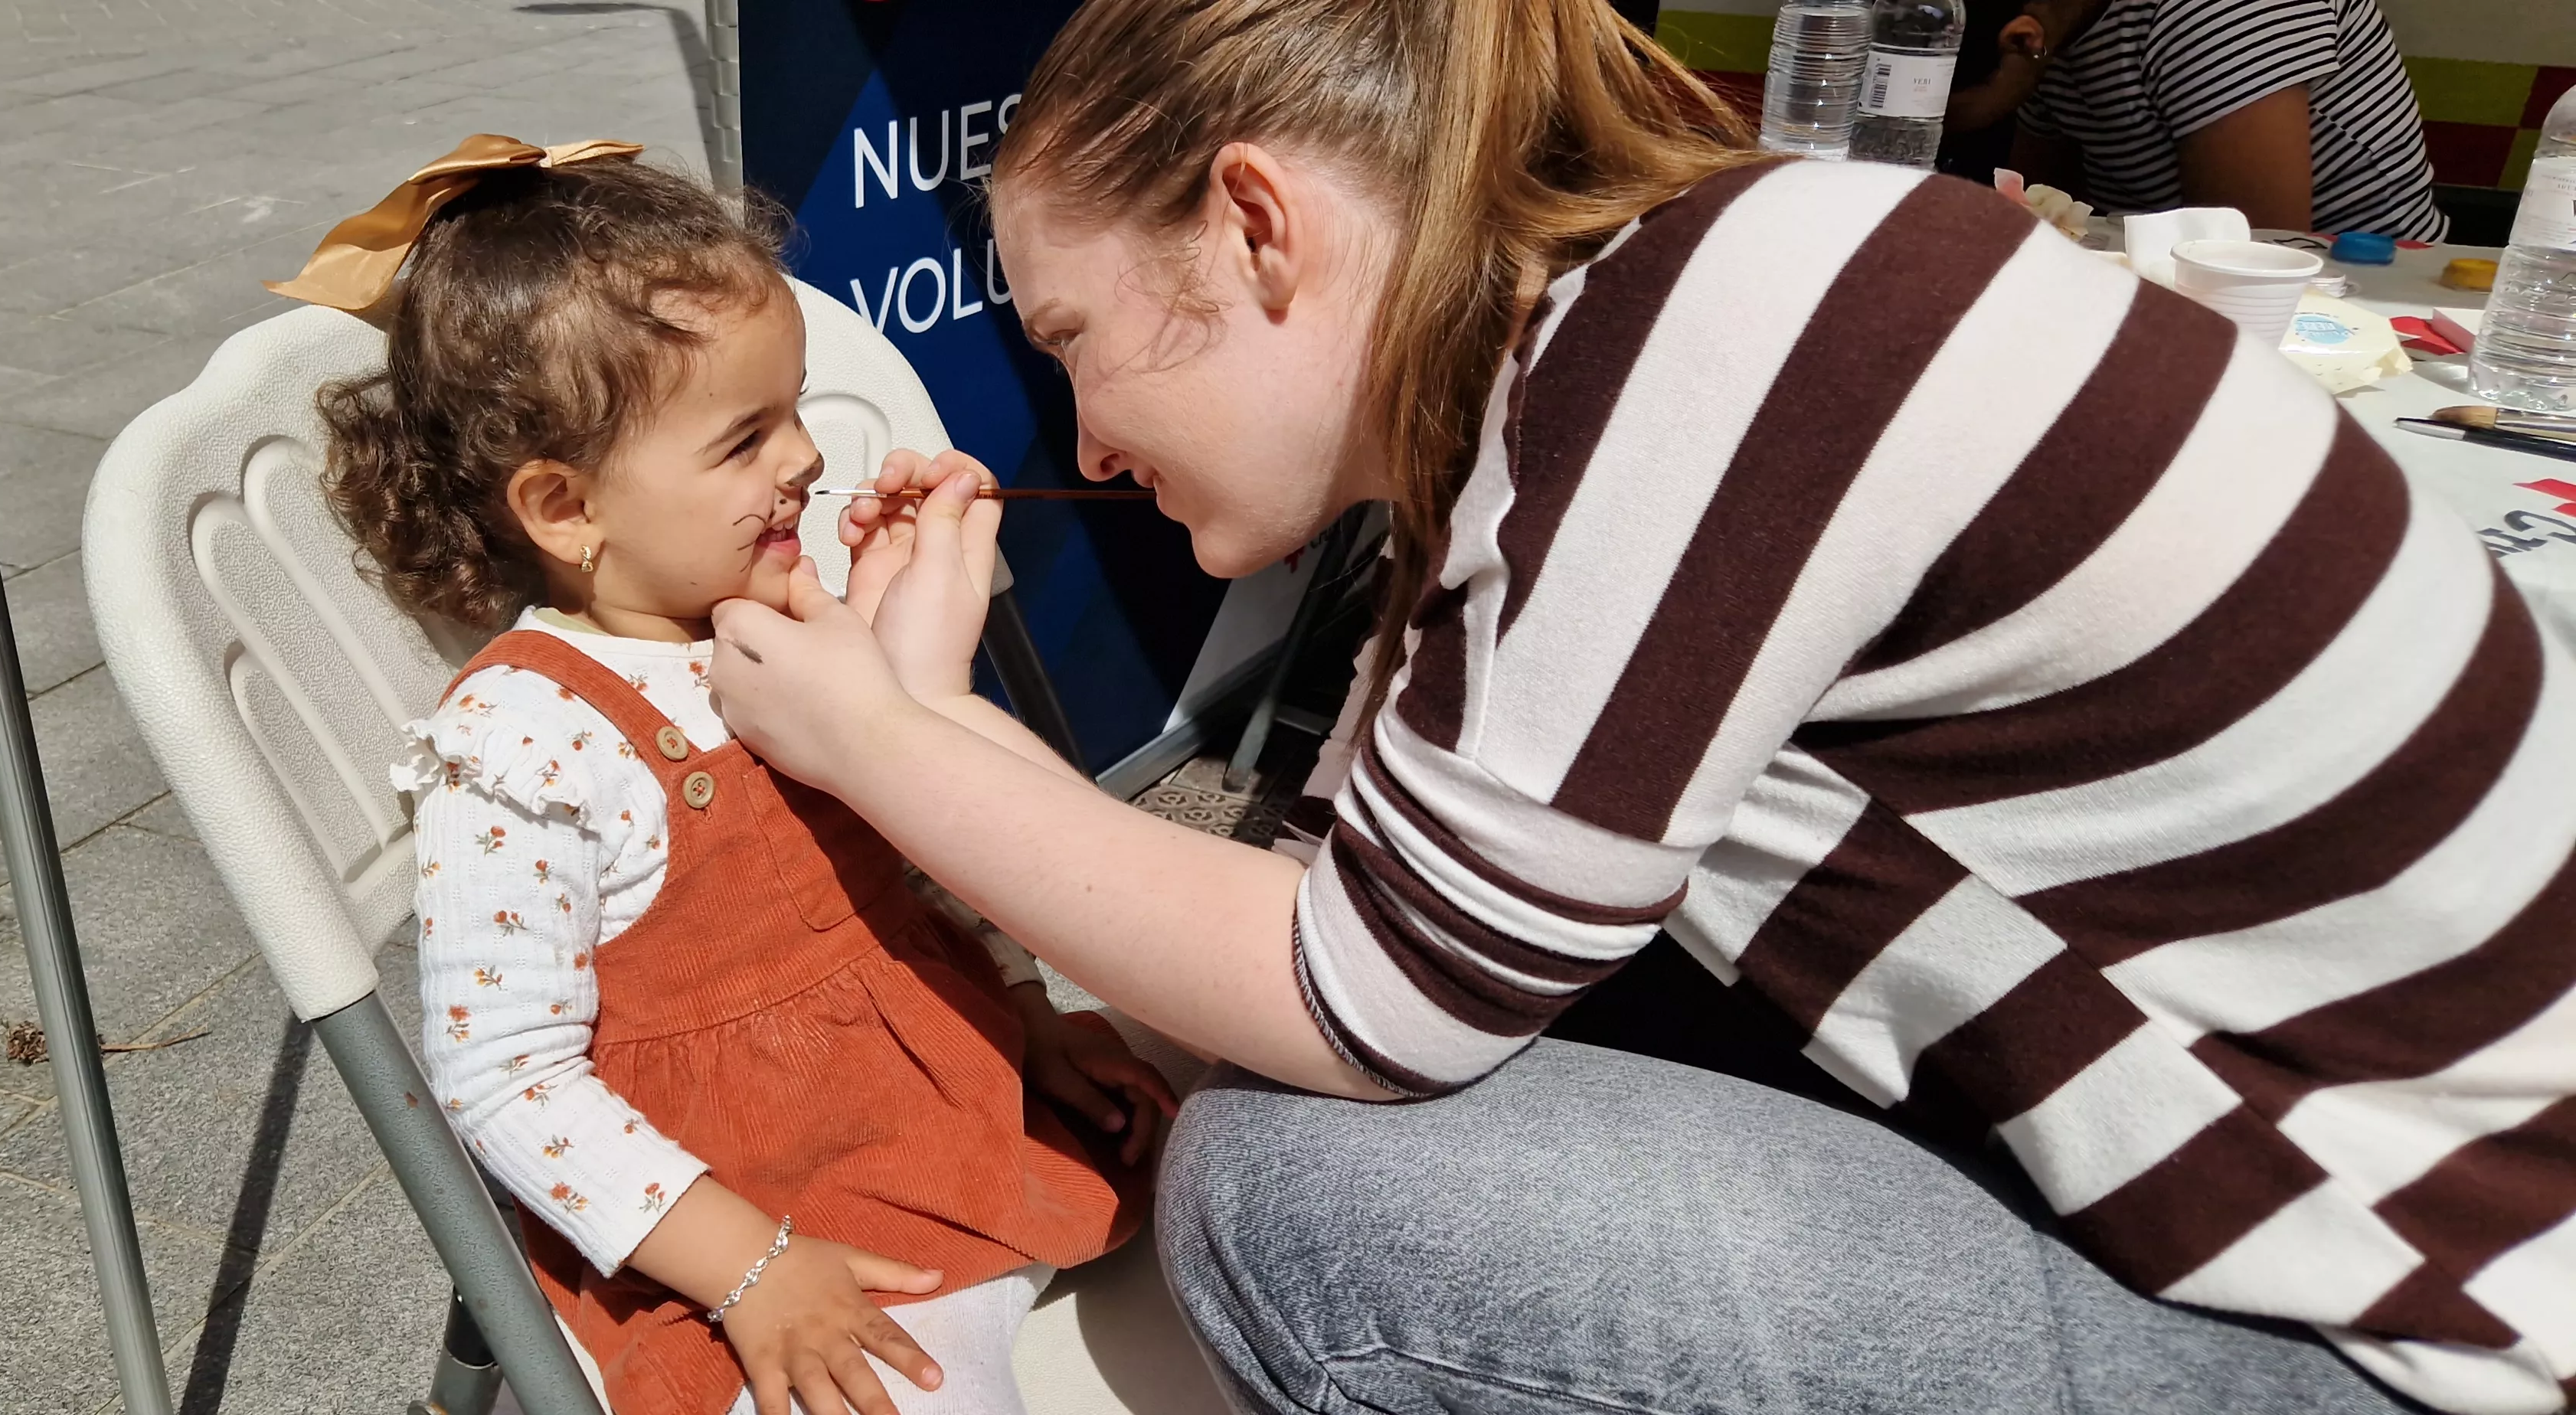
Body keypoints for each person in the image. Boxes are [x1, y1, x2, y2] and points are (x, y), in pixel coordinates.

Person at [699, 1, 2576, 1412]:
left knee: (1295, 1199)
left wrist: (881, 741)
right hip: (2345, 1176)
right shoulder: (1606, 341)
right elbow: (1346, 896)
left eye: (1073, 344)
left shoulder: (1716, 340)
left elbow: (1359, 1007)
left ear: (1257, 226)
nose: (1088, 440)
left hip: (2424, 1304)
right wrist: (925, 707)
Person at [279, 137, 1174, 1415]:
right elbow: (504, 1075)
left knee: (1222, 1167)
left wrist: (1022, 1006)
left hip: (941, 1106)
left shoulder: (786, 624)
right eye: (746, 436)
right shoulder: (527, 740)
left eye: (795, 409)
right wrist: (748, 1266)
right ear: (566, 508)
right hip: (753, 1212)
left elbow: (917, 850)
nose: (803, 456)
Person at [1973, 0, 2446, 239]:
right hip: (2164, 277)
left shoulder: (2225, 14)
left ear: (2022, 41)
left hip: (2360, 312)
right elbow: (2034, 223)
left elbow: (2246, 254)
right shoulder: (2047, 35)